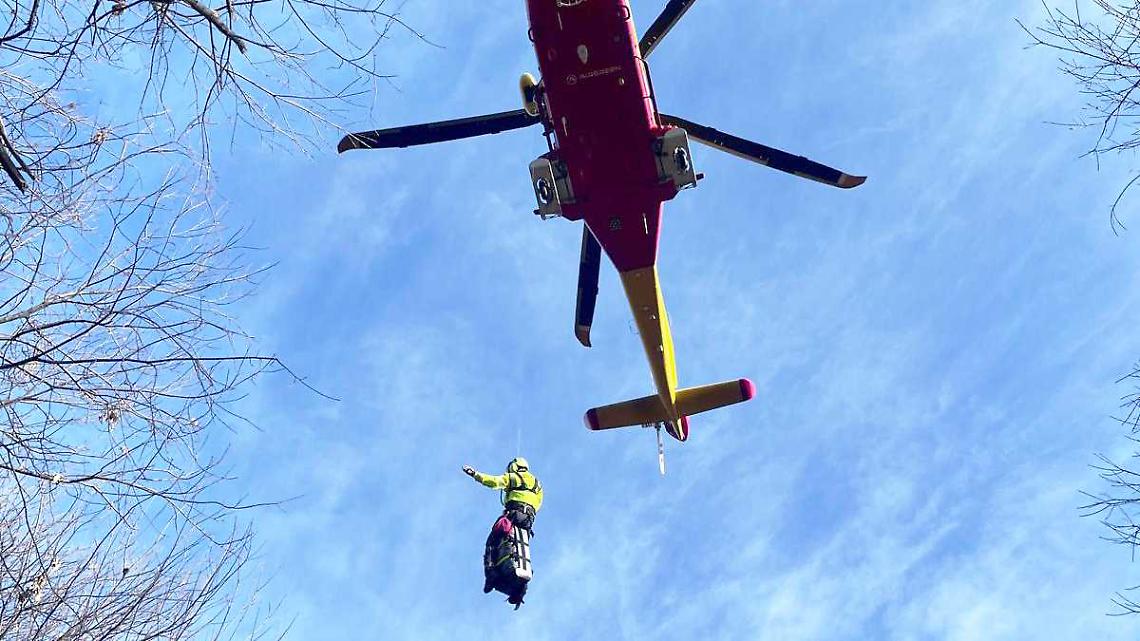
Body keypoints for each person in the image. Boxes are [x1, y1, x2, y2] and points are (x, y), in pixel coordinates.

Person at [463, 457, 543, 608]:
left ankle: (491, 575)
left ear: (514, 466)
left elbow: (494, 482)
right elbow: (538, 502)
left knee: (493, 541)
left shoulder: (515, 477)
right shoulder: (537, 484)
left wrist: (475, 475)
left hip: (514, 513)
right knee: (519, 544)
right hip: (528, 520)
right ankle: (519, 590)